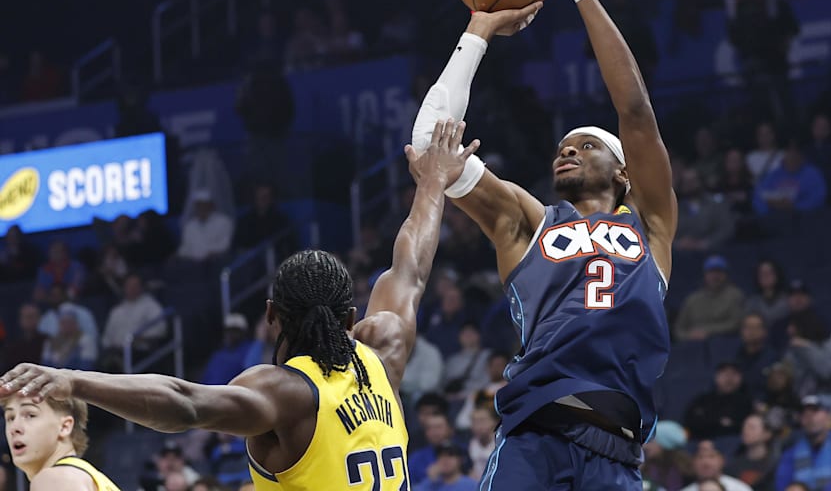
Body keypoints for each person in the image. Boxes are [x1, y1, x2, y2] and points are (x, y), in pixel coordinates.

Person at [0, 120, 478, 491]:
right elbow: (410, 267)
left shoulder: (284, 392)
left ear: (271, 316)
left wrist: (74, 380)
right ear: (351, 318)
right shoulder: (383, 350)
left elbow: (184, 404)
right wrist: (433, 184)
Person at [410, 0, 677, 490]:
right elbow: (430, 146)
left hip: (618, 453)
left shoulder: (651, 225)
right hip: (535, 438)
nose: (568, 150)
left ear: (624, 173)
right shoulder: (531, 224)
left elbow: (634, 110)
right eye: (563, 145)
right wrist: (479, 27)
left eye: (586, 145)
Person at [2, 393, 120, 489]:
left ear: (65, 427)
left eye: (30, 415)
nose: (14, 428)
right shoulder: (89, 476)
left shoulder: (55, 479)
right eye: (10, 418)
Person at [775, 397, 831, 491]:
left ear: (827, 415)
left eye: (815, 411)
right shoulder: (790, 453)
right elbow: (782, 486)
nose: (810, 417)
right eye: (804, 414)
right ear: (800, 420)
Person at [675, 256, 745, 341]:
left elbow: (736, 323)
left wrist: (708, 331)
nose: (715, 276)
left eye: (719, 272)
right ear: (705, 275)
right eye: (711, 272)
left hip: (724, 342)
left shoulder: (735, 295)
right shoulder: (692, 300)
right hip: (694, 345)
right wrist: (689, 335)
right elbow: (679, 329)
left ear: (726, 275)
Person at [684, 362, 754, 439]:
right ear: (716, 376)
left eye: (734, 374)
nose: (729, 379)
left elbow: (744, 427)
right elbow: (691, 423)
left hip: (732, 444)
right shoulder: (702, 400)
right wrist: (719, 422)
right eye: (725, 374)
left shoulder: (746, 402)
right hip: (699, 442)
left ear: (741, 377)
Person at [729, 413, 780, 491]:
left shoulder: (776, 464)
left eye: (751, 427)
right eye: (744, 426)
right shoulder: (733, 462)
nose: (745, 430)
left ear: (767, 434)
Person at [681, 439, 755, 491]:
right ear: (693, 462)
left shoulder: (739, 489)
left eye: (711, 456)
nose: (706, 462)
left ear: (722, 460)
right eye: (700, 457)